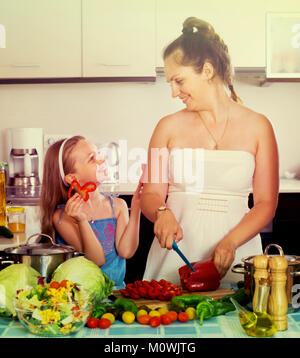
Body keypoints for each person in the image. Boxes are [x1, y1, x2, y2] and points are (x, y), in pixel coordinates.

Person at [141, 17, 279, 285]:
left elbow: (265, 203)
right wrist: (161, 211)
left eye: (179, 81)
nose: (173, 92)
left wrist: (230, 243)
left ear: (206, 70)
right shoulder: (166, 128)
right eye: (170, 82)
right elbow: (152, 192)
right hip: (174, 257)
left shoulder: (259, 127)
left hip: (236, 256)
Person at [40, 135, 142, 288]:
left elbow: (126, 252)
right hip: (84, 296)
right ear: (72, 178)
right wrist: (82, 220)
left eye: (99, 154)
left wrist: (137, 208)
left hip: (118, 292)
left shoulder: (118, 206)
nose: (102, 160)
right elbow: (96, 260)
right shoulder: (62, 217)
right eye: (92, 159)